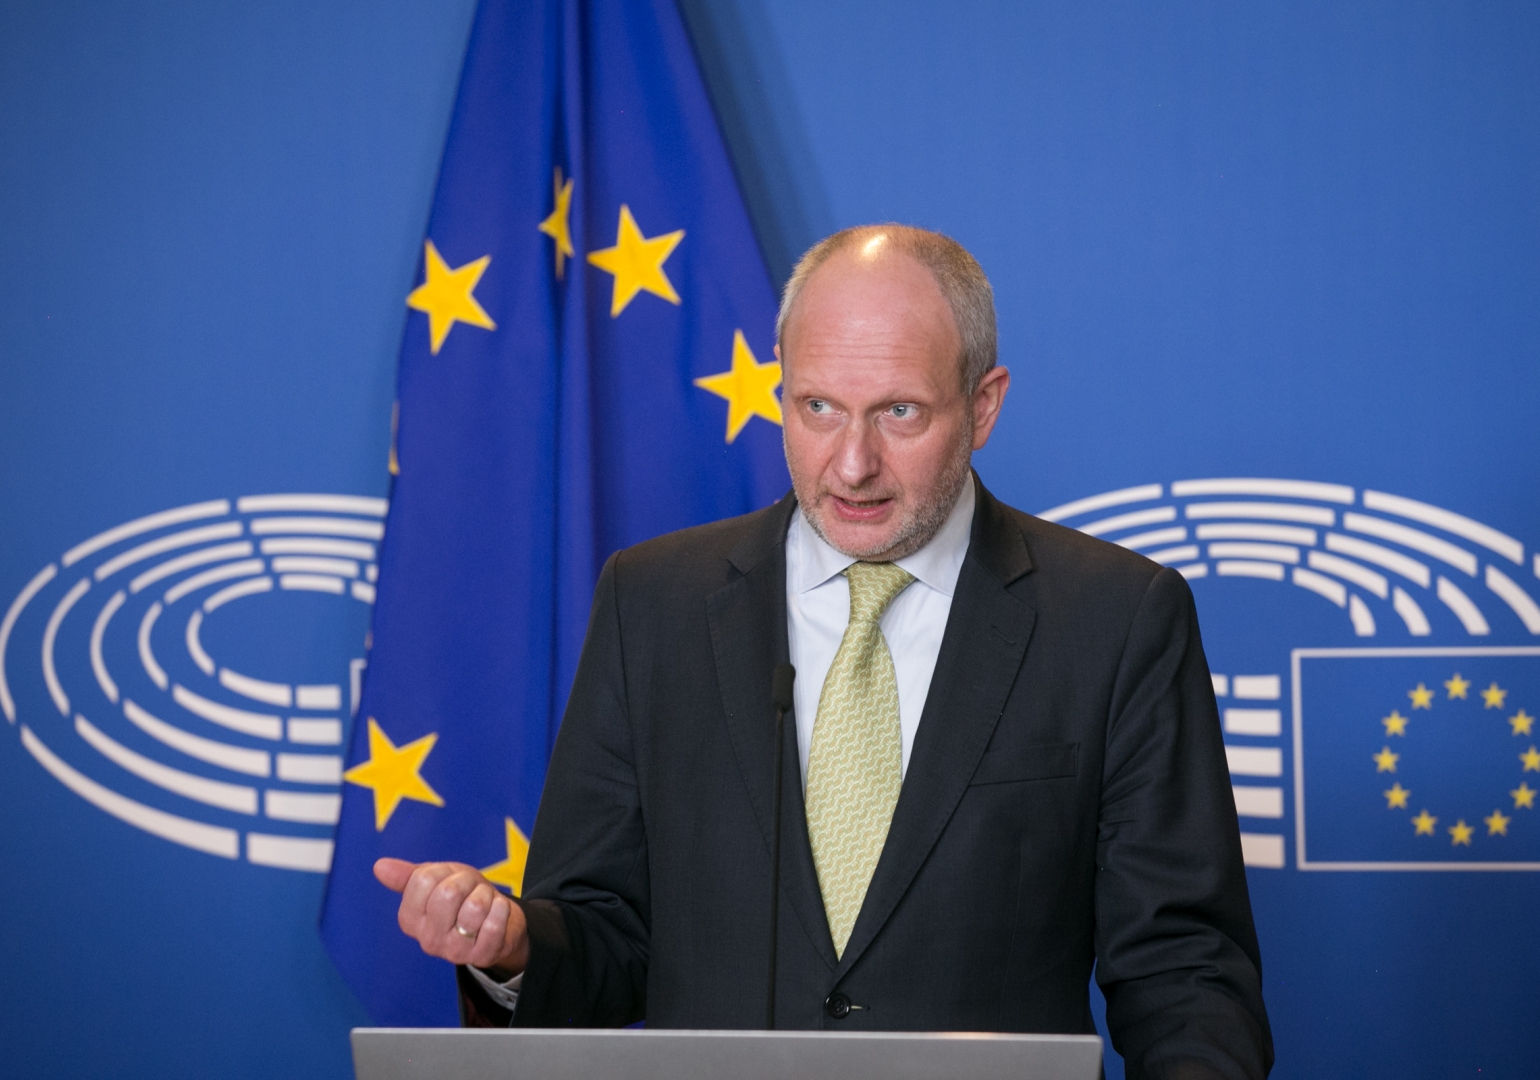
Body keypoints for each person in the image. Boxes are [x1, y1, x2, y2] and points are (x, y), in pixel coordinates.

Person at [372, 225, 1273, 1079]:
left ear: (984, 405)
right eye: (818, 408)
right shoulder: (651, 604)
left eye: (899, 412)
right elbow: (608, 936)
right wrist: (515, 949)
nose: (851, 464)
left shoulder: (1116, 618)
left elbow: (1184, 971)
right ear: (780, 388)